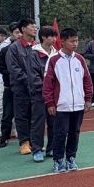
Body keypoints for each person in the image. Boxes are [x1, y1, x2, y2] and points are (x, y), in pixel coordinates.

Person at [43, 28, 93, 174]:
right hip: (61, 105)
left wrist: (88, 98)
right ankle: (58, 160)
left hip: (78, 104)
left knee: (74, 132)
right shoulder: (54, 60)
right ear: (63, 42)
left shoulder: (80, 59)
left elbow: (87, 80)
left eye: (76, 41)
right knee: (60, 133)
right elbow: (48, 84)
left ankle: (71, 157)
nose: (75, 44)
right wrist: (50, 102)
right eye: (72, 41)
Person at [6, 18, 39, 155]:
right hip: (21, 88)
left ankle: (35, 142)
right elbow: (13, 68)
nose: (35, 28)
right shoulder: (14, 47)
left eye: (36, 26)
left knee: (35, 115)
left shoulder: (38, 47)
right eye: (32, 26)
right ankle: (24, 142)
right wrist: (28, 81)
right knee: (21, 115)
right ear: (23, 29)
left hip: (36, 88)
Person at [28, 26, 58, 162]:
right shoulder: (34, 54)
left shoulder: (57, 54)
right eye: (51, 36)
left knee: (54, 122)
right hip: (39, 95)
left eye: (55, 36)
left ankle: (51, 147)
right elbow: (33, 77)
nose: (54, 39)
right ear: (43, 37)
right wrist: (46, 90)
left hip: (54, 96)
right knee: (38, 122)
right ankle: (37, 150)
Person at [0, 22, 20, 147]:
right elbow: (1, 67)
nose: (19, 35)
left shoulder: (30, 49)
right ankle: (4, 137)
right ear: (11, 34)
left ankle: (26, 138)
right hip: (9, 86)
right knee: (7, 113)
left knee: (25, 114)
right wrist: (15, 75)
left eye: (21, 32)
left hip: (24, 87)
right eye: (17, 32)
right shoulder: (5, 50)